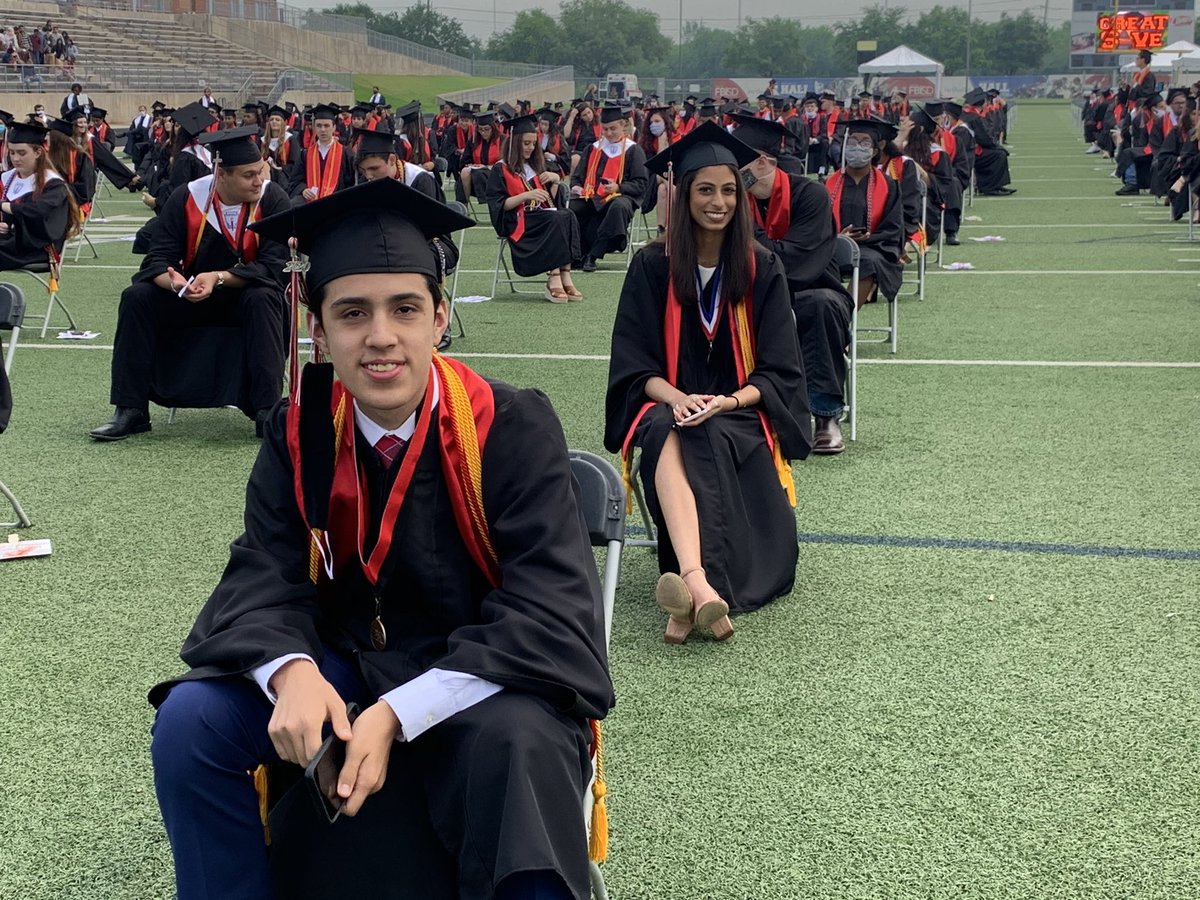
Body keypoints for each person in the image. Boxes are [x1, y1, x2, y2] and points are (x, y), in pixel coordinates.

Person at [148, 177, 613, 900]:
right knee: (193, 722)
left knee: (521, 747)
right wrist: (288, 668)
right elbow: (265, 572)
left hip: (484, 681)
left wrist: (400, 712)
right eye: (353, 313)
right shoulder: (298, 431)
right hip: (346, 666)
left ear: (440, 318)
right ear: (320, 330)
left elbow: (548, 610)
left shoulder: (510, 427)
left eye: (405, 309)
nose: (381, 337)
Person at [604, 123, 810, 643]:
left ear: (740, 197)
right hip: (666, 404)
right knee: (667, 426)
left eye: (727, 190)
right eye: (704, 190)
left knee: (708, 431)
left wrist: (725, 402)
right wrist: (678, 397)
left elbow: (780, 370)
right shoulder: (652, 266)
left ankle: (688, 592)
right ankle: (700, 585)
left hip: (739, 411)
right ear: (684, 194)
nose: (717, 202)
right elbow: (633, 365)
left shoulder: (761, 267)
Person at [90, 128, 290, 441]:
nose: (258, 181)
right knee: (137, 296)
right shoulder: (188, 198)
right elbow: (158, 258)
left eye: (260, 172)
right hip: (191, 299)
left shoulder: (272, 198)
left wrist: (219, 277)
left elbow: (273, 267)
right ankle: (131, 409)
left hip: (244, 300)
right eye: (249, 175)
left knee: (264, 297)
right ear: (221, 174)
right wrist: (176, 283)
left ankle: (266, 410)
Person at [732, 114, 855, 455]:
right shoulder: (731, 198)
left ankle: (825, 415)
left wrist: (746, 235)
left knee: (821, 306)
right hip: (752, 290)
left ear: (760, 161)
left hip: (811, 288)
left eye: (736, 159)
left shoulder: (810, 195)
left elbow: (797, 262)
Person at [485, 113, 582, 302]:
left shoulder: (535, 166)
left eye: (533, 143)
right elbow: (499, 205)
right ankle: (553, 277)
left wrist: (554, 181)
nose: (530, 148)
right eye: (526, 143)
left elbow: (551, 201)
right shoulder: (501, 168)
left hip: (539, 215)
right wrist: (525, 196)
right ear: (515, 143)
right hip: (516, 220)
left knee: (567, 215)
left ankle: (565, 273)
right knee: (555, 219)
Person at [824, 119, 904, 307]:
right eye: (852, 142)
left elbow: (894, 228)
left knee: (867, 261)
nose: (857, 148)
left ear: (875, 151)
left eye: (864, 143)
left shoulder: (889, 186)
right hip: (832, 244)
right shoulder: (827, 184)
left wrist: (866, 238)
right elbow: (816, 222)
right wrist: (837, 237)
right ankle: (829, 313)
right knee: (813, 262)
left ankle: (844, 319)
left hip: (874, 247)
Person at [568, 104, 648, 271]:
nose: (609, 133)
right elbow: (576, 177)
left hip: (620, 197)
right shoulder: (593, 149)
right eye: (605, 129)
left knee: (619, 207)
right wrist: (577, 187)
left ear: (623, 125)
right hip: (592, 196)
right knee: (572, 208)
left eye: (613, 128)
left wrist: (618, 187)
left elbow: (641, 184)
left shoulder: (633, 150)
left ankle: (594, 254)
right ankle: (576, 254)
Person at [0, 120, 80, 271]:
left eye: (22, 153)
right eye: (12, 152)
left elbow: (37, 211)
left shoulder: (53, 184)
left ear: (37, 152)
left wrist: (5, 207)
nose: (16, 158)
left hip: (38, 249)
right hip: (10, 242)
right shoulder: (6, 178)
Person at [289, 104, 354, 204]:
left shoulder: (346, 153)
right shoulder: (305, 154)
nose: (323, 130)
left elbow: (352, 183)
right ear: (314, 127)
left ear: (334, 128)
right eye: (319, 126)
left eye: (326, 126)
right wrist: (303, 189)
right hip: (311, 203)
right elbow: (295, 181)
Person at [962, 88, 1014, 196]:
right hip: (971, 153)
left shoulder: (973, 115)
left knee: (1000, 153)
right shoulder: (973, 117)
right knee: (998, 155)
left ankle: (997, 185)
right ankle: (988, 187)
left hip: (974, 148)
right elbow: (984, 138)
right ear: (983, 103)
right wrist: (997, 146)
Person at [457, 111, 503, 204]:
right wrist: (471, 165)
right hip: (476, 178)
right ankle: (463, 206)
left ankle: (485, 202)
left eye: (486, 129)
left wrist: (487, 167)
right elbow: (464, 161)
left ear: (493, 128)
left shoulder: (502, 140)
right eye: (480, 129)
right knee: (462, 177)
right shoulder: (474, 140)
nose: (483, 132)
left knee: (479, 174)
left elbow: (506, 162)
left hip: (496, 176)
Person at [261, 104, 300, 189]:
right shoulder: (263, 141)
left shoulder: (290, 140)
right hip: (266, 176)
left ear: (284, 122)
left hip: (284, 179)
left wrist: (280, 168)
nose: (274, 121)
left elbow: (295, 164)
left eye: (277, 120)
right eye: (271, 119)